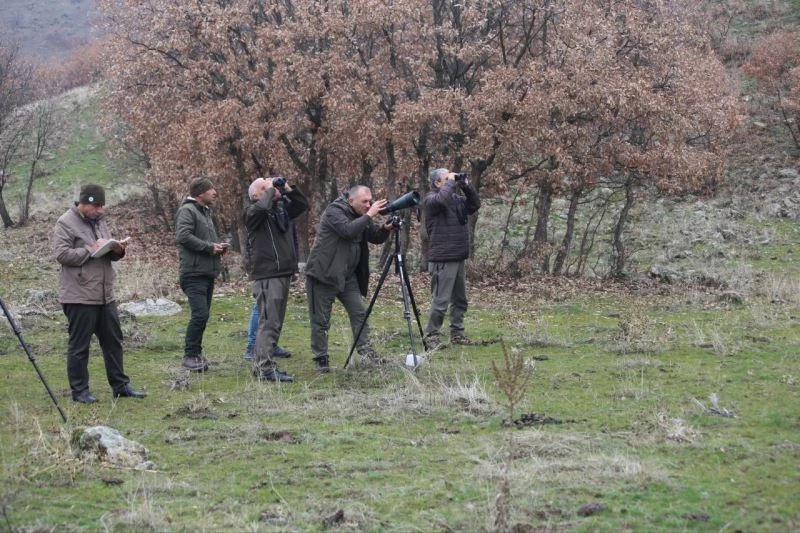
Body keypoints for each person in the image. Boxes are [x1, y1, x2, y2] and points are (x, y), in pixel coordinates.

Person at [52, 184, 146, 403]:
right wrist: (90, 249)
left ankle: (120, 386)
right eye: (96, 206)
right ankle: (80, 391)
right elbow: (62, 255)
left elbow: (106, 252)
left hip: (105, 294)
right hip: (79, 295)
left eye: (102, 206)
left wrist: (117, 249)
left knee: (113, 341)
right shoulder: (65, 222)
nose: (100, 210)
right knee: (80, 346)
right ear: (84, 203)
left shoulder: (100, 220)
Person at [305, 185, 393, 373]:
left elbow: (373, 236)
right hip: (323, 274)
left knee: (359, 313)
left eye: (370, 201)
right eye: (364, 201)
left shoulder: (360, 214)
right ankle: (321, 359)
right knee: (321, 320)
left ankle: (367, 352)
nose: (368, 204)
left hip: (347, 276)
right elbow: (347, 230)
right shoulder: (334, 211)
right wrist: (369, 214)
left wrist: (385, 229)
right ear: (351, 200)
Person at [244, 176, 308, 382]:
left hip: (281, 273)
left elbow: (301, 205)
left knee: (275, 323)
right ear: (256, 195)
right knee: (269, 322)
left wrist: (287, 189)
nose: (272, 189)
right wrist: (271, 189)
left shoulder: (279, 211)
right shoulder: (252, 213)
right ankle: (264, 368)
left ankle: (265, 364)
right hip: (267, 275)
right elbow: (261, 208)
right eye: (264, 188)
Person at [422, 168, 481, 349]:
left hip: (458, 255)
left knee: (460, 299)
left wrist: (466, 186)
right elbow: (441, 201)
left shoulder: (456, 200)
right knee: (441, 301)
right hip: (442, 257)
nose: (451, 180)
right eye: (446, 178)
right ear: (437, 183)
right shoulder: (430, 200)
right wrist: (451, 182)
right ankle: (431, 335)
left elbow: (475, 204)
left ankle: (457, 333)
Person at [175, 177, 228, 372]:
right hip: (193, 273)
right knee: (200, 315)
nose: (215, 192)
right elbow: (183, 236)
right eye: (210, 189)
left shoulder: (204, 212)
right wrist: (209, 247)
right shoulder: (187, 211)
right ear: (200, 193)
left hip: (206, 273)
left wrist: (217, 247)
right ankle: (190, 357)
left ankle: (196, 355)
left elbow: (202, 240)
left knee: (202, 316)